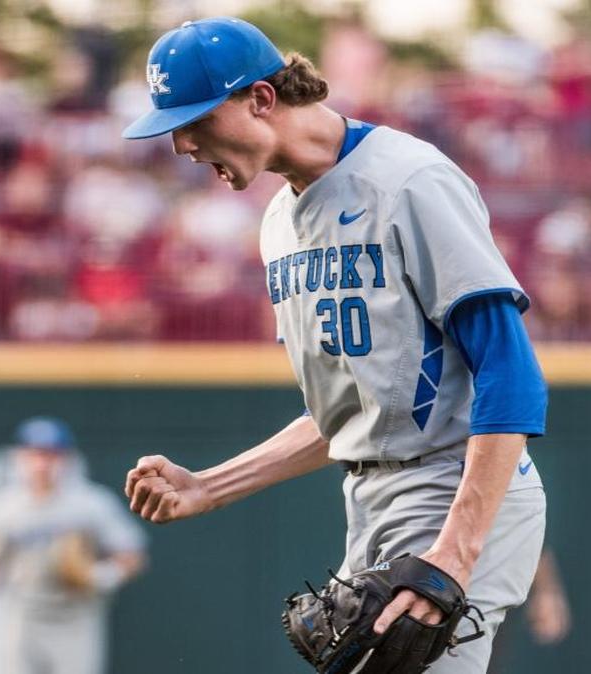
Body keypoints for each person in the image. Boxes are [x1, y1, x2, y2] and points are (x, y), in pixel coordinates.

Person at [121, 17, 547, 673]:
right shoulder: (278, 226)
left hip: (450, 489)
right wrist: (208, 485)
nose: (181, 144)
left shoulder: (408, 181)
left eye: (196, 119)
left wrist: (457, 550)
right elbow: (355, 409)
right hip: (373, 505)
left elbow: (510, 370)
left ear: (262, 99)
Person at [0, 417, 147, 674]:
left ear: (66, 459)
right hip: (22, 615)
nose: (42, 464)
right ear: (20, 457)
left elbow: (132, 555)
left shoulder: (90, 504)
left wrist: (101, 576)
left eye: (51, 455)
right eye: (35, 454)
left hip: (74, 616)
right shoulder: (3, 507)